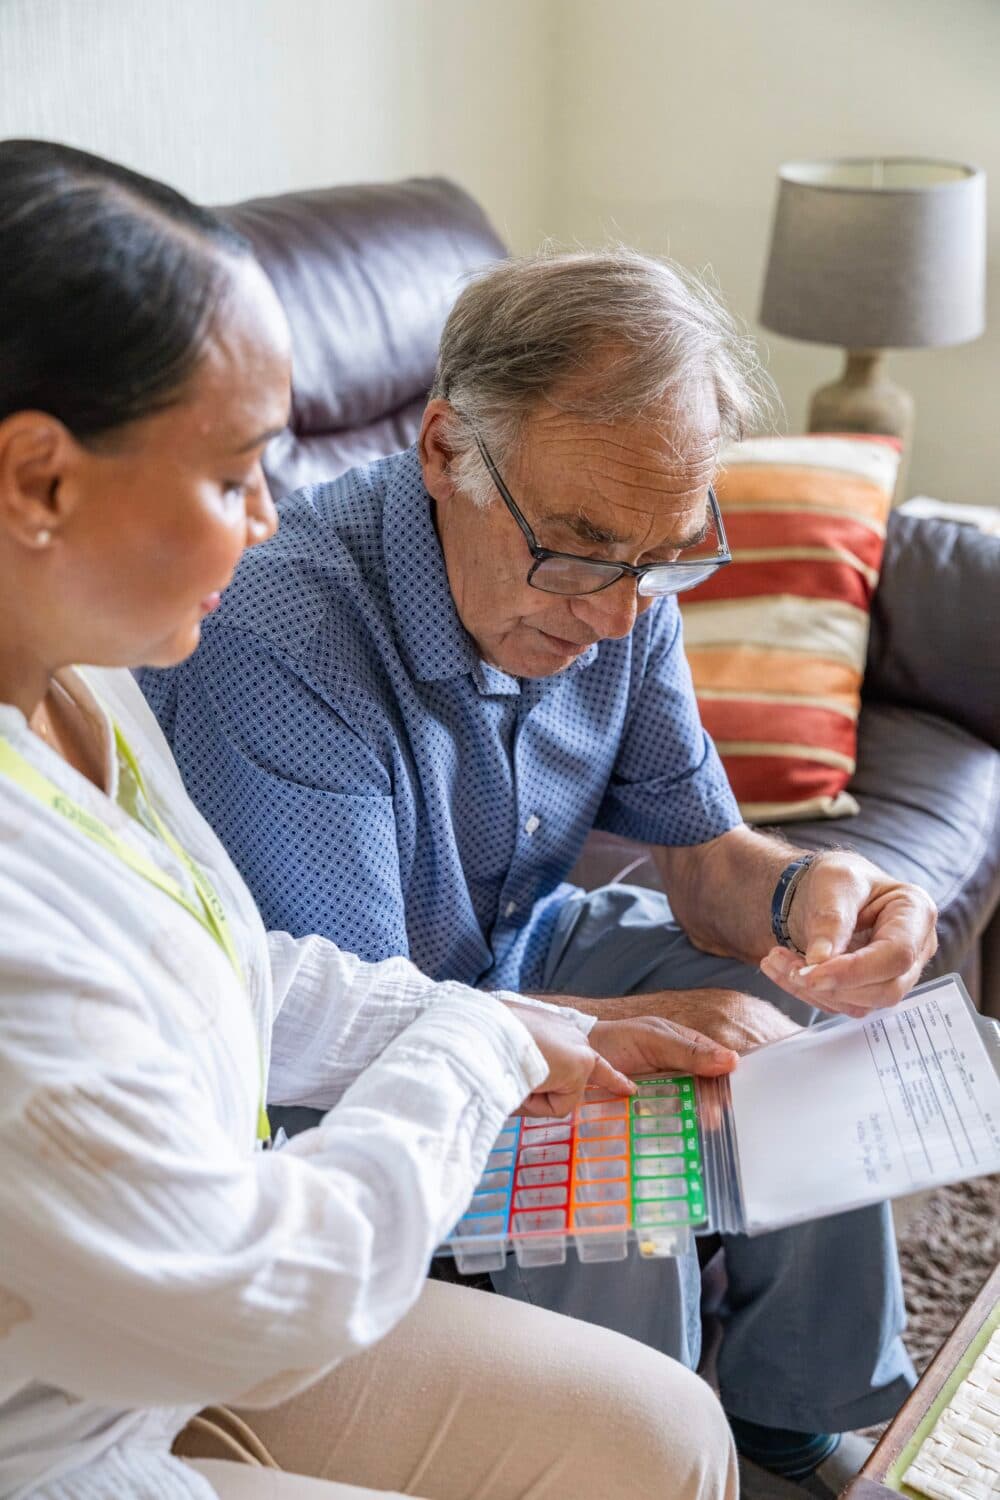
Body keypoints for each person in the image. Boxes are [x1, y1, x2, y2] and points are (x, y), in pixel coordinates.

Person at [0, 140, 740, 1500]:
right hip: (82, 1422)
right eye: (232, 479)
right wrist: (466, 1043)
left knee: (672, 1439)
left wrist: (525, 1028)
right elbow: (259, 1300)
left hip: (178, 1329)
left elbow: (219, 966)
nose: (268, 518)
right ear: (38, 482)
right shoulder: (247, 641)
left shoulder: (83, 676)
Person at [141, 249, 939, 1495]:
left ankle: (790, 1418)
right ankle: (635, 1451)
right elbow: (356, 1023)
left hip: (519, 947)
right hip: (337, 1065)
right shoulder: (280, 633)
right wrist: (645, 1028)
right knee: (615, 1122)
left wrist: (815, 896)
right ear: (445, 449)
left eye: (661, 557)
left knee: (792, 1009)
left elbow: (701, 862)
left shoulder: (622, 568)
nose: (621, 614)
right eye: (576, 550)